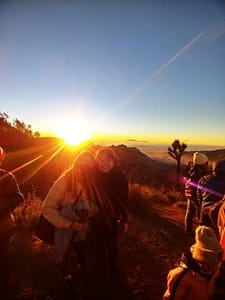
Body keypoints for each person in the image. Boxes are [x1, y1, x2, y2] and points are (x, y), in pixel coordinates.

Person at [41, 150, 98, 295]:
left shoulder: (89, 181)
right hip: (64, 224)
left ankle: (82, 266)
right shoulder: (64, 181)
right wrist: (69, 224)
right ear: (76, 163)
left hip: (80, 224)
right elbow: (47, 209)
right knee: (62, 251)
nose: (85, 167)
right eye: (82, 163)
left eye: (90, 164)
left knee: (80, 243)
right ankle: (65, 274)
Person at [87, 147, 129, 299]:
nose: (103, 164)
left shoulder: (120, 177)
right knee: (96, 241)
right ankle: (98, 264)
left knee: (111, 243)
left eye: (107, 161)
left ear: (113, 161)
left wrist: (124, 220)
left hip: (111, 217)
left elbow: (124, 200)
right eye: (100, 161)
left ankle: (113, 268)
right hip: (94, 216)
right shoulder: (94, 175)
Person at [163, 225, 224, 300]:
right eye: (209, 264)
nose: (214, 268)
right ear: (200, 260)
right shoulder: (181, 276)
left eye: (216, 264)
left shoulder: (214, 271)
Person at [0, 146, 24, 297]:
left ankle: (6, 285)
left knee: (2, 257)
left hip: (2, 227)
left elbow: (18, 197)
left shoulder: (6, 176)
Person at [184, 152, 209, 234]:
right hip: (194, 194)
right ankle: (201, 233)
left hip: (189, 192)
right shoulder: (200, 172)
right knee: (200, 211)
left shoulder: (192, 168)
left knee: (190, 211)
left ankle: (187, 230)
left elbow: (186, 177)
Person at [197, 160, 225, 229]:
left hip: (204, 212)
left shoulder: (203, 179)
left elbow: (199, 197)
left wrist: (203, 206)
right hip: (219, 215)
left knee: (204, 236)